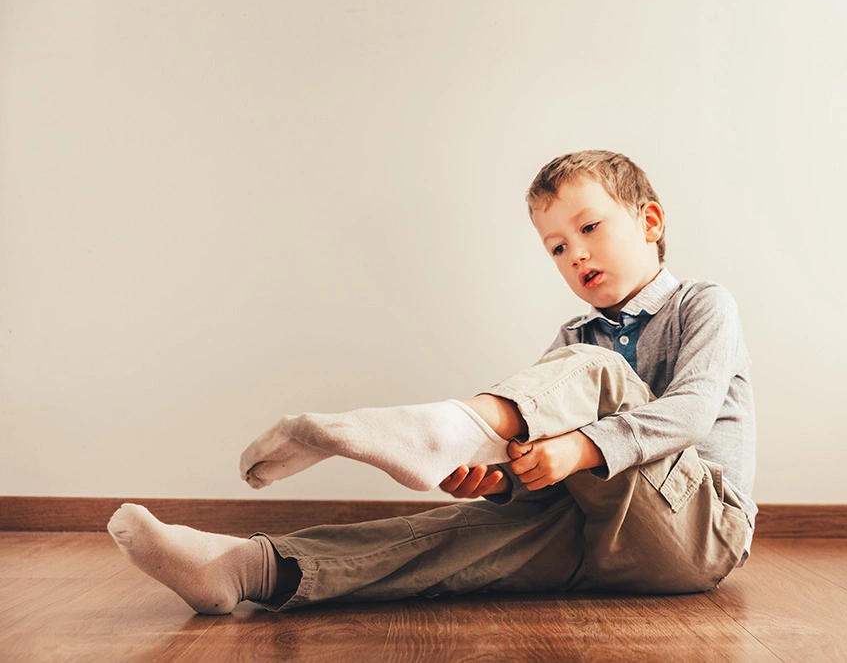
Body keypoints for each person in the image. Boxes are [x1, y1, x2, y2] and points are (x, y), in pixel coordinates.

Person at [107, 150, 756, 615]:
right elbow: (544, 465)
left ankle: (452, 425)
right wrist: (500, 475)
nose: (575, 253)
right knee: (454, 539)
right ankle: (248, 568)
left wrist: (577, 449)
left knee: (601, 371)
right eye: (556, 246)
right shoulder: (573, 338)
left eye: (588, 228)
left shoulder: (702, 304)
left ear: (649, 222)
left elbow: (693, 413)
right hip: (598, 541)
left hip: (699, 535)